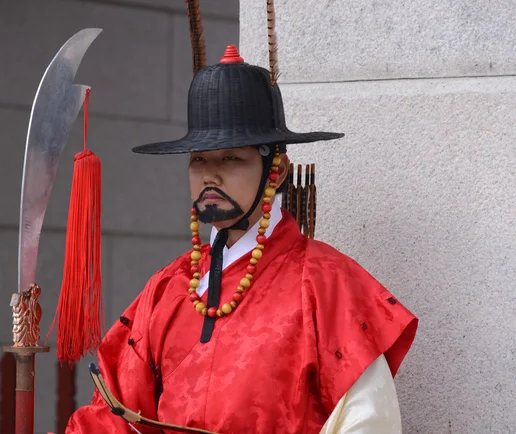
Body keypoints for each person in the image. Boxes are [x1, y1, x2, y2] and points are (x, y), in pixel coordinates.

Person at [65, 5, 418, 433]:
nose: (210, 174)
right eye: (199, 160)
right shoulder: (167, 290)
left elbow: (367, 422)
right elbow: (112, 419)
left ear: (278, 170)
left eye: (231, 158)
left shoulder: (328, 284)